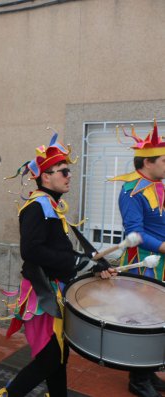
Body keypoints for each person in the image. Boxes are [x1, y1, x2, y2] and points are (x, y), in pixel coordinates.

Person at [0, 133, 115, 397]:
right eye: (63, 171)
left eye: (68, 171)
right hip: (41, 294)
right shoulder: (36, 207)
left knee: (58, 355)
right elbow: (31, 251)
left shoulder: (52, 205)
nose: (68, 175)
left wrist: (96, 261)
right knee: (50, 358)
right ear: (45, 176)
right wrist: (79, 262)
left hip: (55, 290)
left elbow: (61, 248)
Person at [111, 122, 165, 397]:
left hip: (161, 262)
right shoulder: (130, 190)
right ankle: (138, 379)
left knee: (159, 321)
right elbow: (136, 233)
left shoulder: (159, 185)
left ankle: (149, 371)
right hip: (144, 264)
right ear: (148, 162)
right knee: (144, 322)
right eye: (164, 160)